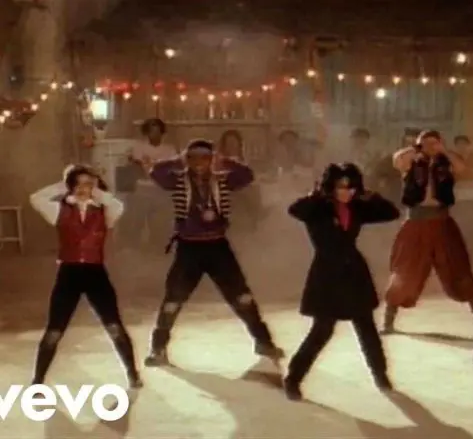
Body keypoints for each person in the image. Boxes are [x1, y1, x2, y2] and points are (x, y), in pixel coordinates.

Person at [143, 139, 284, 366]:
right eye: (193, 158)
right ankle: (158, 348)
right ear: (187, 159)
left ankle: (263, 341)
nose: (199, 163)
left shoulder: (222, 179)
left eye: (205, 158)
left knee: (242, 296)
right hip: (189, 248)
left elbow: (247, 175)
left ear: (212, 159)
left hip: (218, 246)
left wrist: (223, 160)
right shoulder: (178, 180)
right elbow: (156, 173)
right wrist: (178, 160)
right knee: (173, 299)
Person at [283, 163, 401, 401]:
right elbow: (295, 209)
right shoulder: (318, 208)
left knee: (366, 327)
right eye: (341, 187)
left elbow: (391, 213)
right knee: (322, 329)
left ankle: (380, 375)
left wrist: (371, 195)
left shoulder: (357, 207)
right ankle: (293, 378)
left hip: (354, 271)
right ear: (331, 187)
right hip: (327, 272)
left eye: (351, 187)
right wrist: (316, 194)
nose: (347, 192)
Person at [28, 165, 142, 388]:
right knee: (54, 331)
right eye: (78, 185)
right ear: (70, 186)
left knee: (114, 326)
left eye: (88, 185)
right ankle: (38, 382)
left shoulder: (104, 211)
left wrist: (94, 187)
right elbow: (36, 198)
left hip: (95, 274)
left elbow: (117, 205)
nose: (83, 189)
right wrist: (65, 185)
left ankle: (133, 374)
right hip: (69, 273)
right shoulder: (59, 210)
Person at [382, 130, 473, 334]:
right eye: (426, 143)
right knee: (405, 271)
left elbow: (461, 168)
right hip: (416, 223)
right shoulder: (412, 161)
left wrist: (443, 151)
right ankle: (388, 321)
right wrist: (417, 148)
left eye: (434, 142)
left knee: (458, 268)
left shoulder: (446, 162)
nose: (430, 146)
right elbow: (398, 160)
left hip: (442, 222)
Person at [124, 118, 177, 250]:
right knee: (138, 219)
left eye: (158, 132)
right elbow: (136, 168)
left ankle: (157, 246)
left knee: (160, 221)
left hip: (161, 189)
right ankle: (134, 247)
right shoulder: (139, 147)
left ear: (162, 133)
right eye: (152, 131)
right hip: (143, 188)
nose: (155, 135)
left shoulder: (169, 149)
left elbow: (172, 170)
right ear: (146, 133)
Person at [217, 129, 264, 233]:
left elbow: (253, 180)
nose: (232, 146)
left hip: (245, 200)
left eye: (234, 143)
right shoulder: (220, 163)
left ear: (239, 145)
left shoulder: (246, 163)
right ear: (224, 146)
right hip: (229, 198)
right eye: (229, 143)